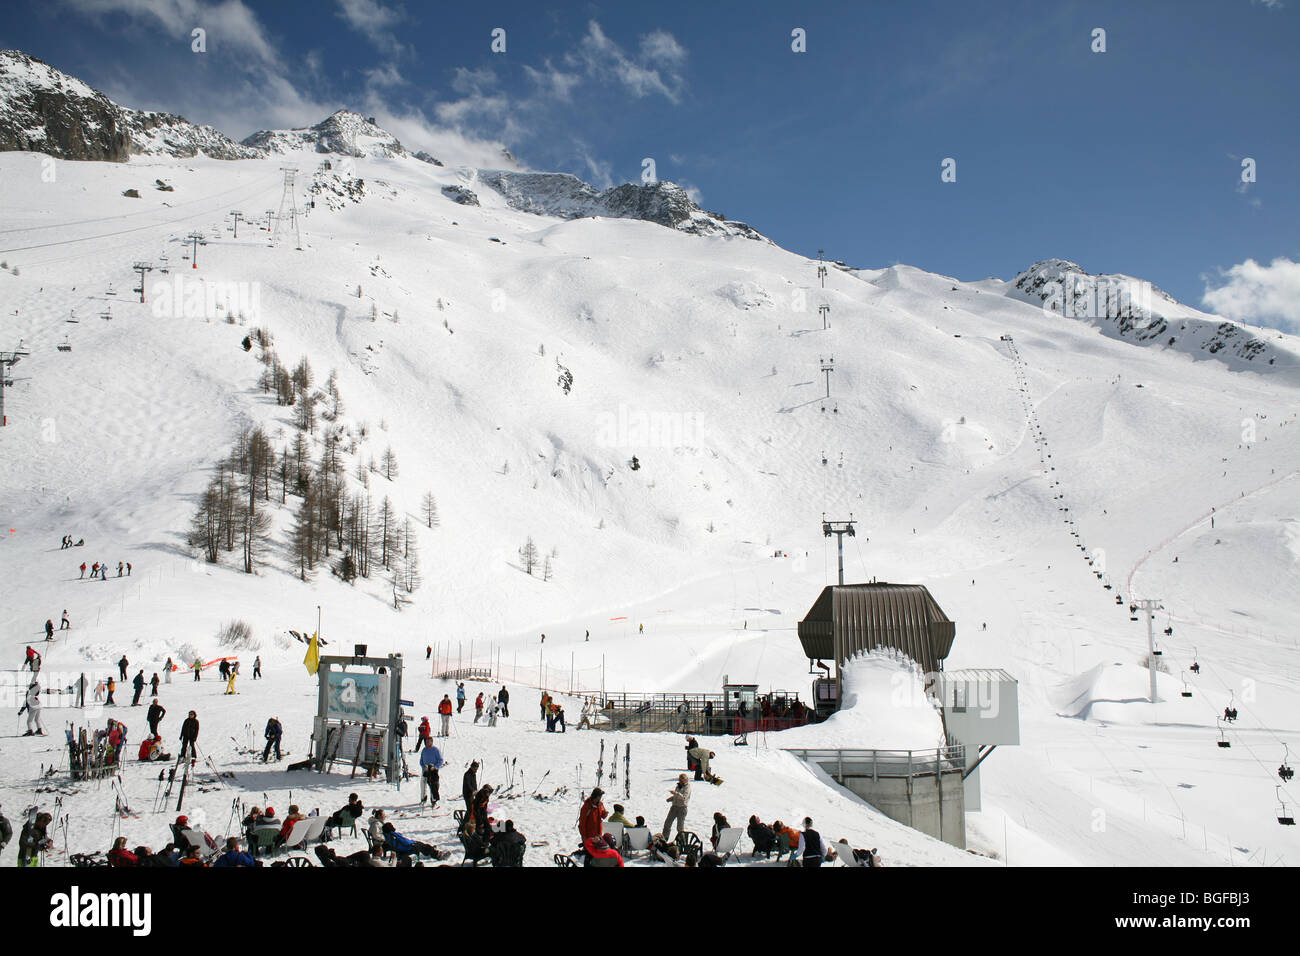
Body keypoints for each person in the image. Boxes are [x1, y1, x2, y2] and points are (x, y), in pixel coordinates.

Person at [382, 822, 447, 861]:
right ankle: (436, 854)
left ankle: (430, 849)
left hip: (400, 848)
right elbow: (405, 842)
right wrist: (412, 842)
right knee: (419, 845)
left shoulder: (387, 836)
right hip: (406, 848)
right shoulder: (393, 835)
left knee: (420, 844)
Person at [662, 774, 690, 840]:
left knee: (680, 827)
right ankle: (664, 838)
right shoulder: (678, 786)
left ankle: (682, 841)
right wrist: (671, 798)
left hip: (682, 808)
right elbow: (677, 796)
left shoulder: (687, 788)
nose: (680, 781)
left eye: (682, 780)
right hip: (674, 807)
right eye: (679, 779)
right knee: (667, 823)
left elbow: (684, 797)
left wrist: (675, 794)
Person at [419, 739, 445, 805]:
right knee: (423, 783)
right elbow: (421, 761)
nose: (427, 743)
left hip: (433, 771)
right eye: (426, 742)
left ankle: (433, 799)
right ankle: (423, 798)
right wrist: (423, 767)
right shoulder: (424, 750)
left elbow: (441, 760)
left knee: (433, 785)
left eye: (428, 741)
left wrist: (435, 767)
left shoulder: (435, 750)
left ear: (431, 742)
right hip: (425, 770)